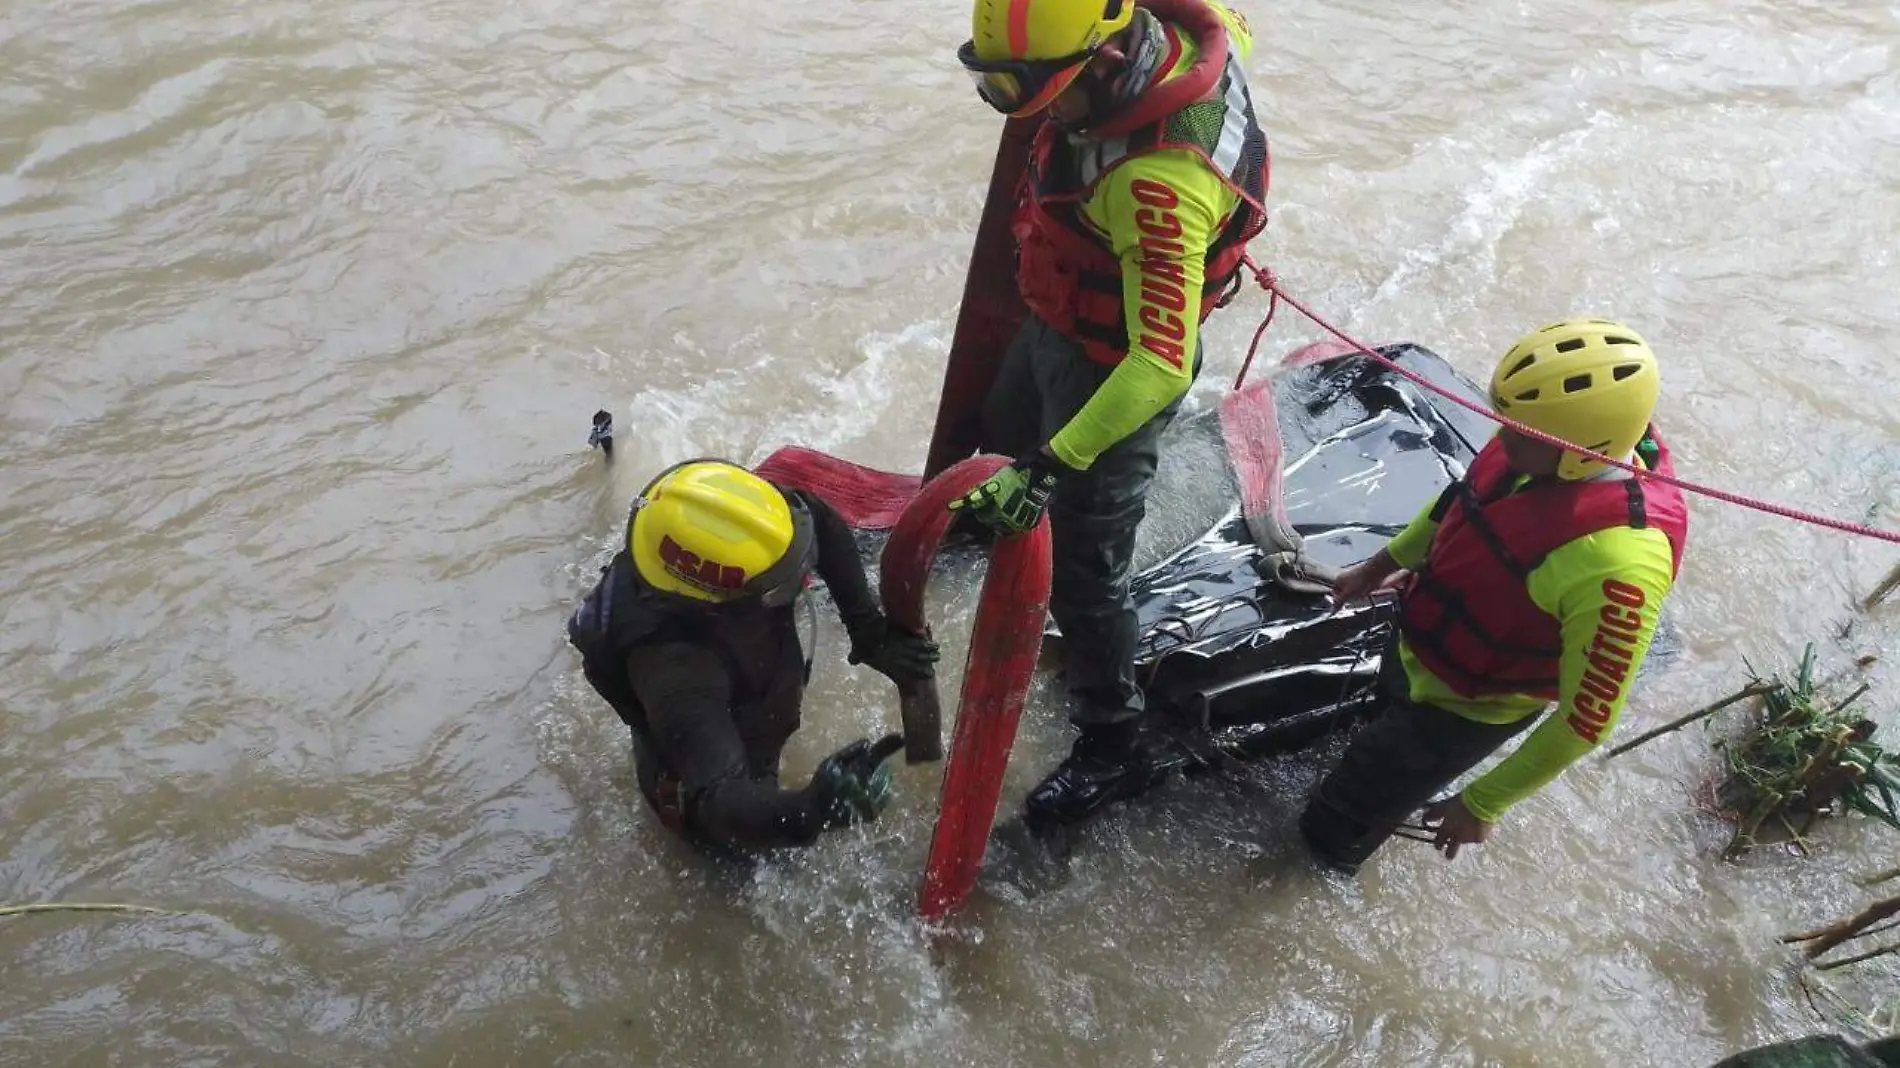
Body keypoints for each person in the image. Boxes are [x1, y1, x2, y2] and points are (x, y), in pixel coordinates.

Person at [949, 0, 1270, 825]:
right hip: (1058, 316)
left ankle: (1112, 741)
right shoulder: (1170, 29)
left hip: (1112, 374)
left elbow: (1160, 365)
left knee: (1089, 578)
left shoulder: (1158, 183)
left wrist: (1054, 461)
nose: (1033, 118)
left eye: (1042, 98)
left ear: (1102, 62)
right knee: (1004, 411)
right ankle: (1008, 523)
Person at [1299, 319, 1691, 873]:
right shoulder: (1535, 445)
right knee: (1370, 738)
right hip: (1422, 648)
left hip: (1466, 710)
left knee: (1332, 827)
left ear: (1580, 450)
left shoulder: (1619, 569)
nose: (1500, 439)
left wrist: (1483, 802)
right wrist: (1379, 566)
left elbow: (1585, 722)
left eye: (1518, 433)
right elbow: (1459, 505)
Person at [567, 459, 940, 851]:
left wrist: (867, 632)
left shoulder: (760, 533)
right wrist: (812, 808)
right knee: (745, 856)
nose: (800, 584)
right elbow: (721, 801)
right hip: (707, 795)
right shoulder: (675, 672)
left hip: (742, 686)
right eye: (782, 585)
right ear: (715, 600)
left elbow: (822, 525)